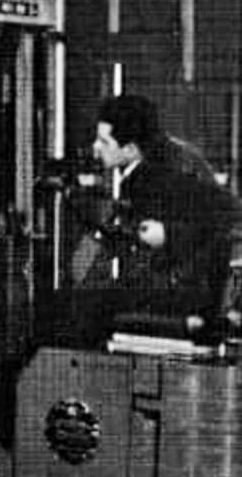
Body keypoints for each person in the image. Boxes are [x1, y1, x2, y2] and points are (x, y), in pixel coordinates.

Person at [57, 95, 241, 345]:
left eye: (104, 141)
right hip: (178, 282)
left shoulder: (170, 171)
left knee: (78, 309)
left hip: (190, 292)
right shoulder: (144, 170)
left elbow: (224, 218)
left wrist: (168, 235)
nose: (95, 147)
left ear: (131, 149)